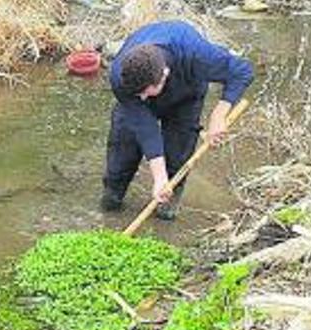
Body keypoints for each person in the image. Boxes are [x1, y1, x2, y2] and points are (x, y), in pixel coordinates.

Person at [101, 21, 253, 220]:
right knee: (121, 157)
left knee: (176, 161)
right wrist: (158, 176)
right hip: (132, 102)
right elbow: (145, 127)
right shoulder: (121, 76)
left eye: (147, 93)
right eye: (139, 95)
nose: (144, 99)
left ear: (164, 74)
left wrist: (218, 115)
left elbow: (242, 71)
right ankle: (111, 204)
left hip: (186, 98)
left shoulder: (197, 55)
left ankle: (165, 212)